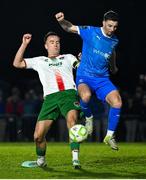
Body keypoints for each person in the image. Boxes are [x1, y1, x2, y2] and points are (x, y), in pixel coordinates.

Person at [13, 31, 82, 168]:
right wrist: (24, 44)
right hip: (50, 99)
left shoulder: (68, 57)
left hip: (68, 95)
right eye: (52, 42)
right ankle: (41, 161)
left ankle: (75, 159)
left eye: (57, 42)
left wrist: (82, 61)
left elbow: (80, 68)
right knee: (38, 136)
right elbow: (17, 63)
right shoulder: (40, 61)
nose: (55, 45)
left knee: (72, 123)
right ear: (46, 46)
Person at [55, 10, 122, 150]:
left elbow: (112, 52)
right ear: (103, 23)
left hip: (102, 79)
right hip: (84, 76)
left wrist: (113, 66)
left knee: (117, 102)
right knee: (85, 96)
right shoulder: (90, 31)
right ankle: (89, 118)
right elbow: (69, 27)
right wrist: (62, 21)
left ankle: (110, 136)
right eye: (109, 26)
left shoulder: (114, 40)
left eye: (115, 27)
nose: (112, 29)